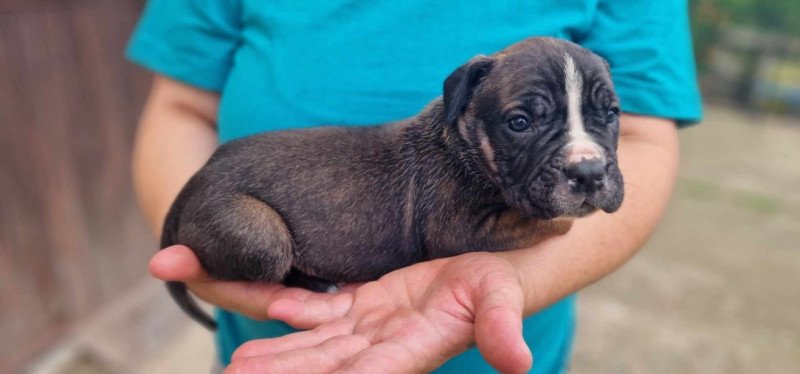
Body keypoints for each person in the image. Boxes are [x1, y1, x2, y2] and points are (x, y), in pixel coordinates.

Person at [127, 1, 702, 372]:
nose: (587, 156)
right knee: (261, 243)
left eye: (604, 114)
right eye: (525, 121)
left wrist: (526, 278)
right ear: (464, 104)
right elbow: (180, 107)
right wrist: (208, 264)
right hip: (270, 332)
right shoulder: (448, 160)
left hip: (511, 347)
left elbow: (649, 137)